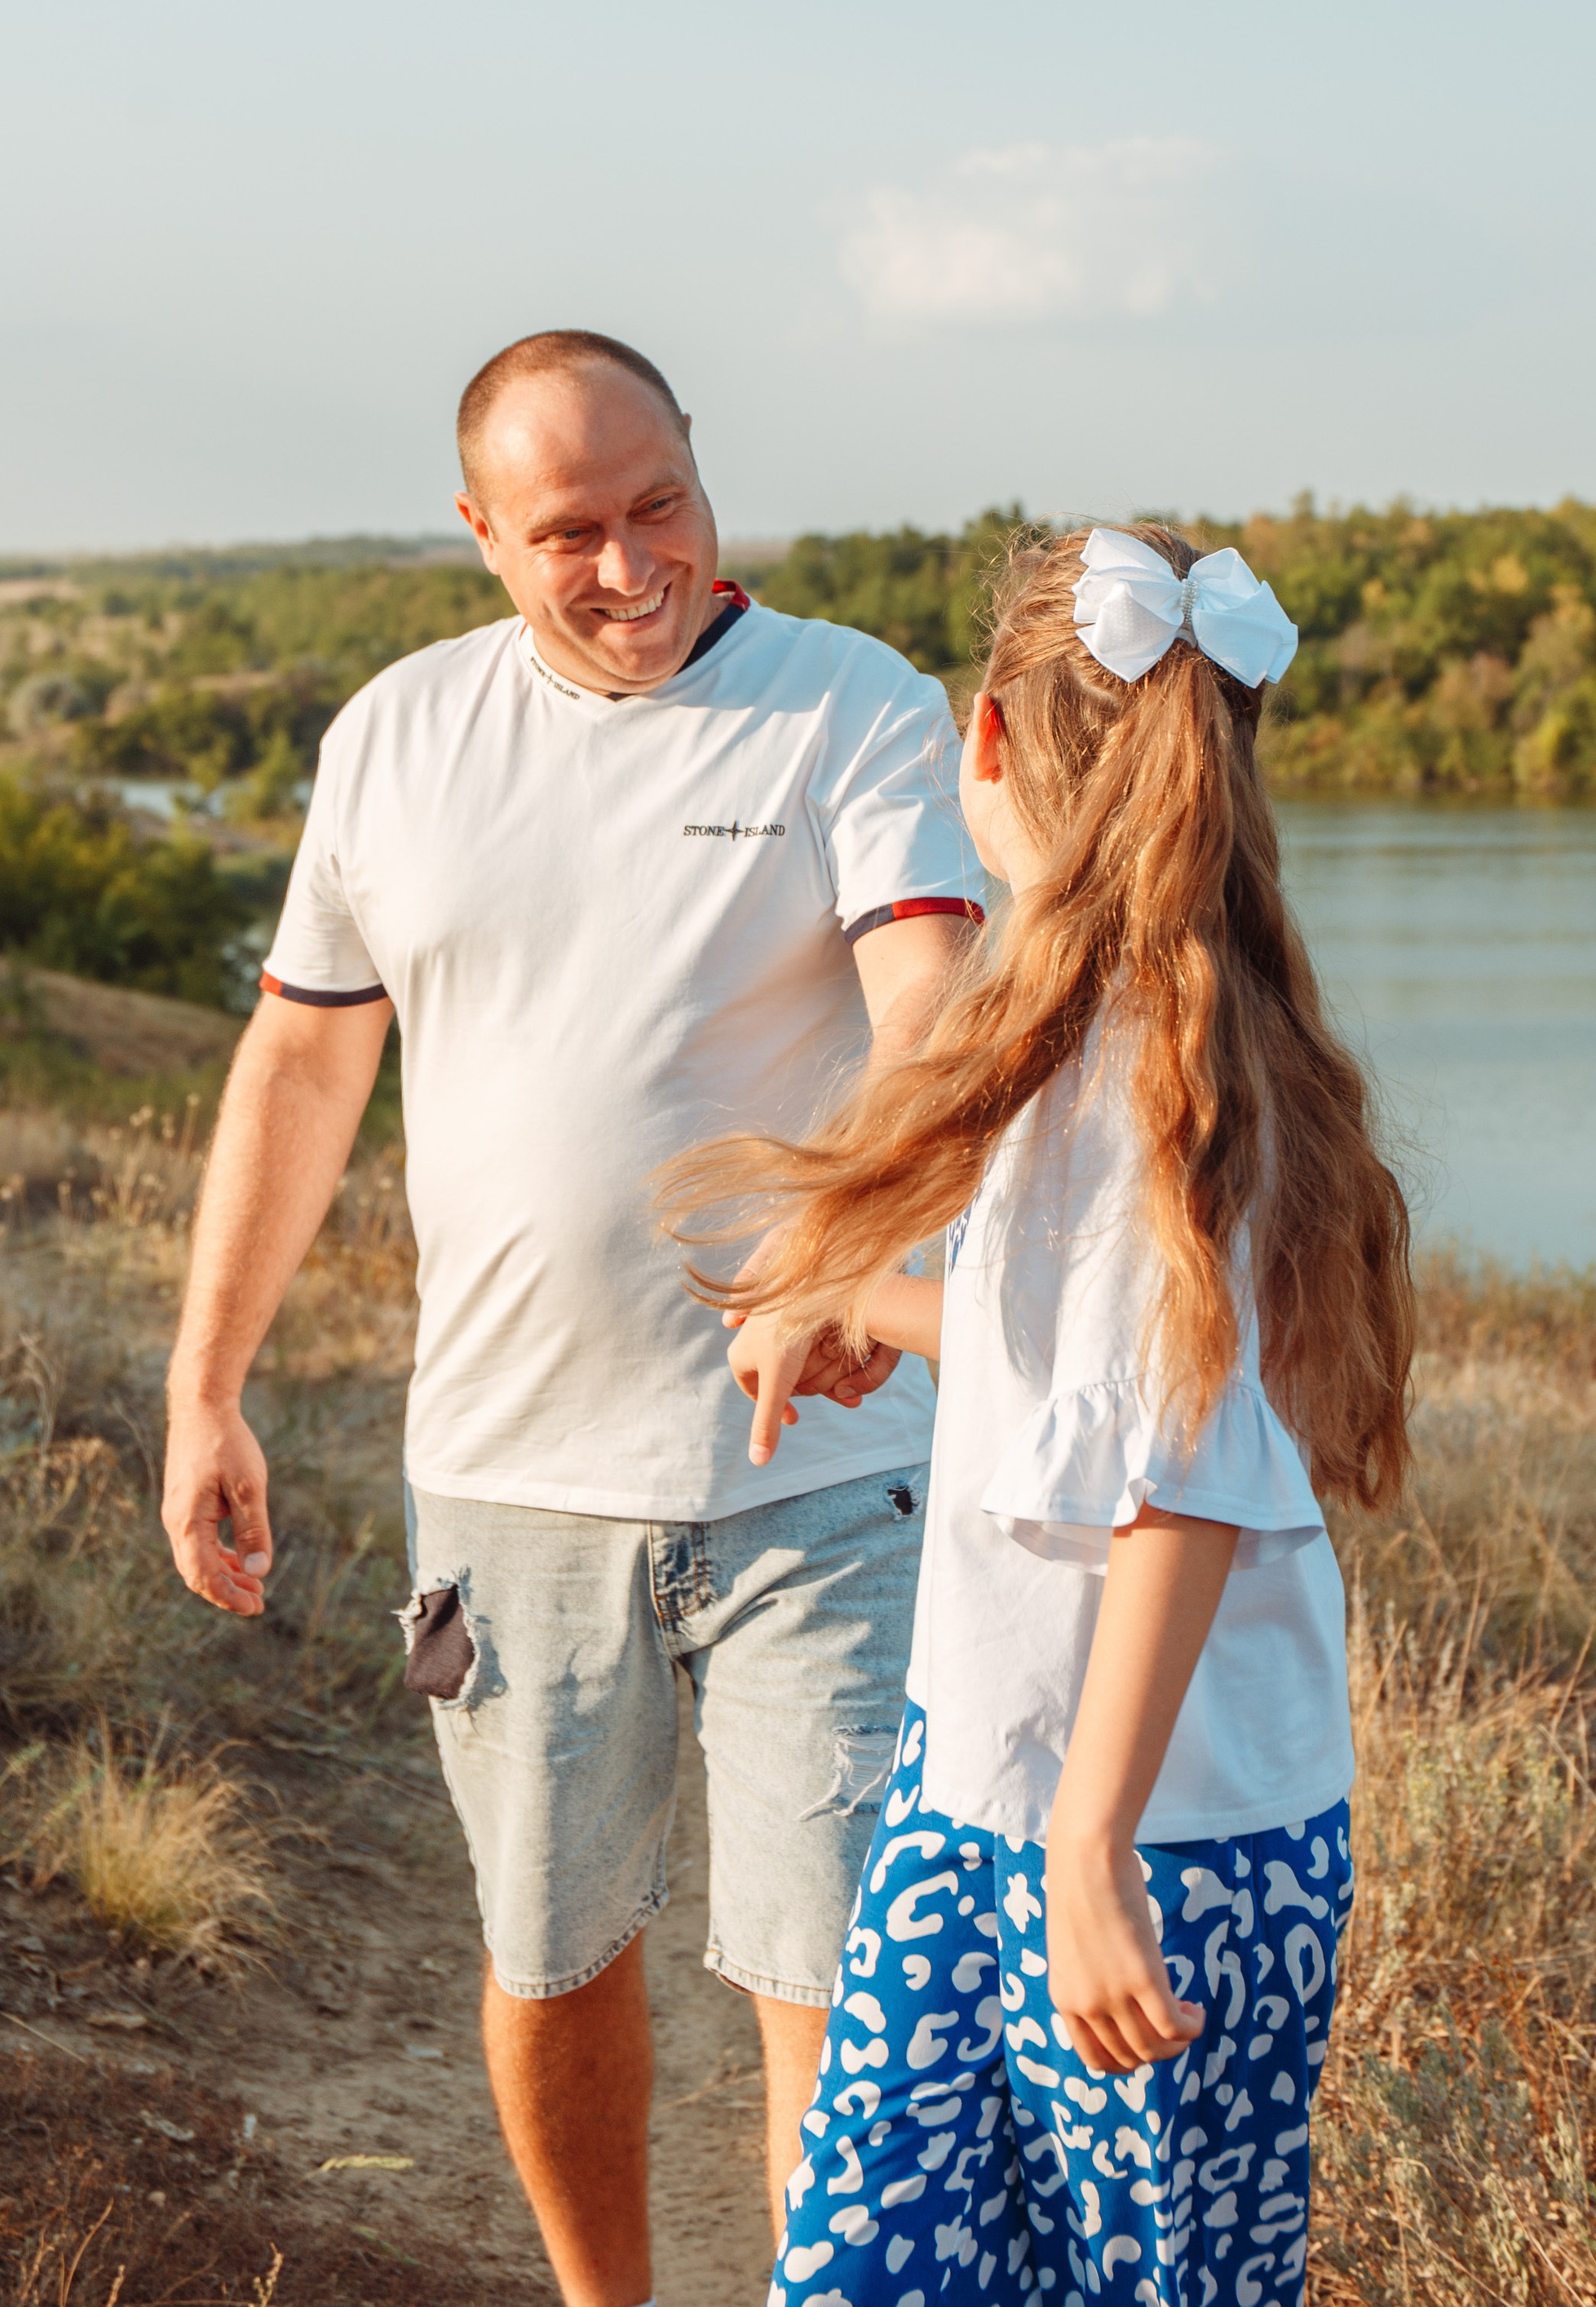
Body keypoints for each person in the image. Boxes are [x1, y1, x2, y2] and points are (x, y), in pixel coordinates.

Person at [160, 329, 983, 2307]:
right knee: (550, 1958)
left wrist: (843, 1255)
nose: (631, 567)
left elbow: (934, 1020)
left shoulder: (848, 706)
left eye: (660, 509)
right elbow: (296, 1073)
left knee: (833, 1986)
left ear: (703, 477)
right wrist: (207, 1389)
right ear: (478, 537)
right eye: (571, 534)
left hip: (822, 1472)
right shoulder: (393, 739)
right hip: (509, 1480)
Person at [666, 521, 1414, 2307]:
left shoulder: (1136, 1072)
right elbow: (1091, 1386)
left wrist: (1088, 1851)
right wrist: (873, 1306)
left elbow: (1186, 1478)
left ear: (979, 740)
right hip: (991, 1782)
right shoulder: (1136, 1029)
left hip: (1136, 1830)